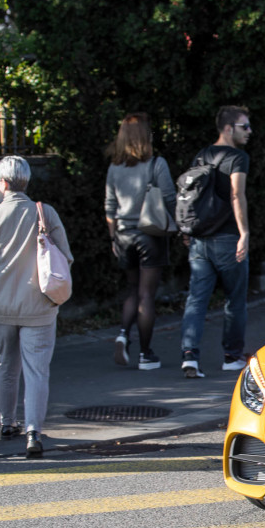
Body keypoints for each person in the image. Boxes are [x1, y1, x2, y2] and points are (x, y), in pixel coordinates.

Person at [0, 156, 73, 459]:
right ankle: (33, 431)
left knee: (7, 364)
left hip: (0, 304)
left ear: (2, 182)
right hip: (40, 304)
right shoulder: (45, 213)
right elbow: (64, 256)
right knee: (37, 370)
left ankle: (6, 422)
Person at [180, 105, 251, 378]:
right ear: (228, 128)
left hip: (199, 239)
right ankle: (232, 356)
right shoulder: (237, 157)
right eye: (244, 126)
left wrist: (187, 229)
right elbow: (237, 194)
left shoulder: (202, 155)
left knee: (196, 300)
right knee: (235, 300)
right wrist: (244, 233)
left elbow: (190, 195)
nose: (249, 132)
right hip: (228, 239)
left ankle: (190, 357)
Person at [104, 113, 175, 370]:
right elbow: (169, 197)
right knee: (147, 294)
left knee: (132, 290)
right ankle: (146, 354)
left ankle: (123, 332)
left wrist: (113, 238)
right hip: (150, 234)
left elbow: (109, 206)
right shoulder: (156, 164)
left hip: (123, 235)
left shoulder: (114, 167)